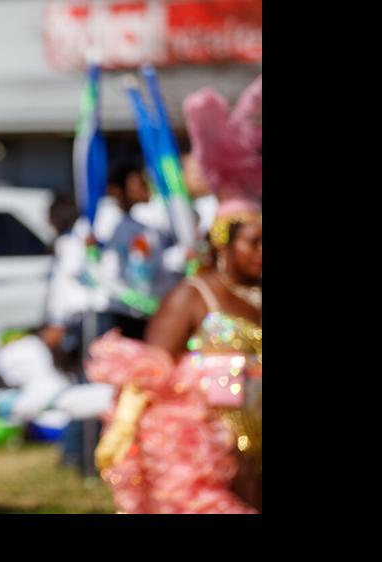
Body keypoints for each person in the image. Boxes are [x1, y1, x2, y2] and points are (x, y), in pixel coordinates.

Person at [89, 75, 261, 514]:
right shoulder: (193, 295)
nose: (262, 253)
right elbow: (148, 375)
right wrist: (125, 431)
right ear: (222, 240)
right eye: (254, 242)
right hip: (212, 455)